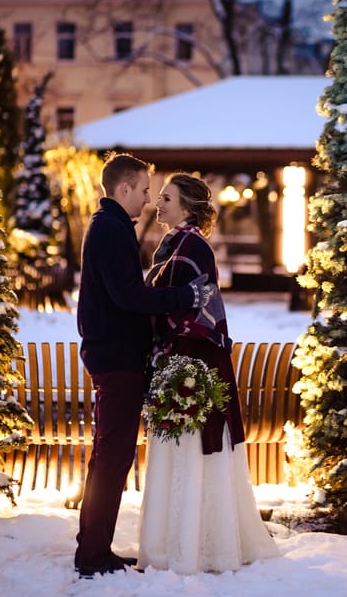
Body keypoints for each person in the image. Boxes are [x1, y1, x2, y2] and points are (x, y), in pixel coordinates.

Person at [74, 153, 215, 577]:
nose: (149, 200)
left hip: (115, 356)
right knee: (112, 456)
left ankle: (96, 547)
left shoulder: (112, 228)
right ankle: (93, 554)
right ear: (124, 190)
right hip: (116, 359)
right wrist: (184, 298)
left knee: (111, 456)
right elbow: (128, 296)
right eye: (145, 190)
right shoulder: (111, 231)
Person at [137, 172, 280, 574]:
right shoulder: (175, 245)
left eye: (167, 197)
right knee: (177, 451)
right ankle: (175, 539)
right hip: (177, 356)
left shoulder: (191, 246)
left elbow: (190, 309)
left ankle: (201, 544)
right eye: (159, 196)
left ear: (187, 206)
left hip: (193, 358)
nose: (158, 203)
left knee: (192, 449)